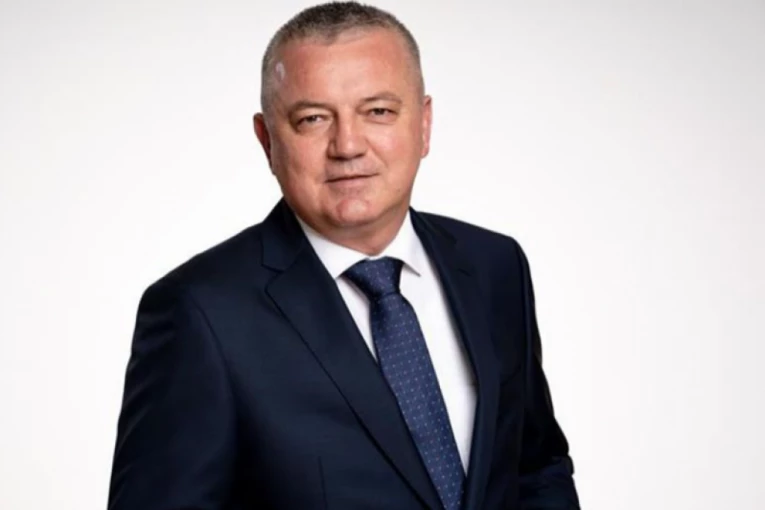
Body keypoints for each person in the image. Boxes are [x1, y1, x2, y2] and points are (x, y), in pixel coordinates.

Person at [107, 2, 580, 509]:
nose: (348, 145)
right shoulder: (200, 313)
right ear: (267, 141)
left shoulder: (495, 266)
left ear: (424, 125)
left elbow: (536, 468)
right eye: (312, 119)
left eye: (378, 111)